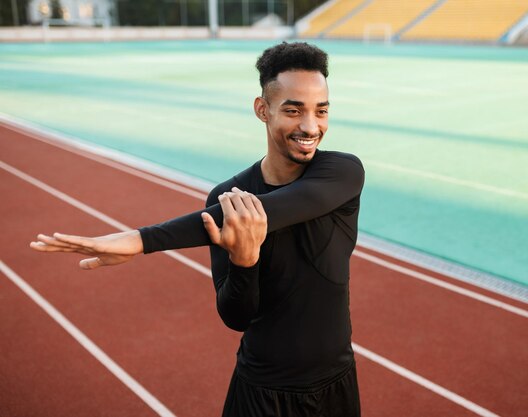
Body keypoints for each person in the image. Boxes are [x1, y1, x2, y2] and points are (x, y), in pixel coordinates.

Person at [31, 42, 365, 417]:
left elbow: (260, 212)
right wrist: (244, 262)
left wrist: (140, 240)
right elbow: (235, 317)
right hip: (260, 391)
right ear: (262, 109)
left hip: (335, 387)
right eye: (293, 110)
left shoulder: (342, 173)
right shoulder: (225, 195)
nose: (310, 126)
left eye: (321, 111)